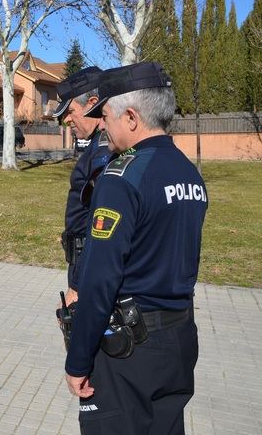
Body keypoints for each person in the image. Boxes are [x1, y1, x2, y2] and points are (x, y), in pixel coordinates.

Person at [64, 62, 208, 434]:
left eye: (106, 116)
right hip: (178, 340)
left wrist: (78, 362)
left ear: (130, 117)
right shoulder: (187, 172)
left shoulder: (121, 178)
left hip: (131, 350)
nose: (104, 127)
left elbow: (100, 280)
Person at [51, 66, 112, 306]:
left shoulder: (104, 151)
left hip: (89, 267)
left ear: (92, 103)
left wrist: (76, 286)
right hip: (83, 259)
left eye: (70, 111)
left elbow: (102, 225)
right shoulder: (98, 146)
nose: (66, 119)